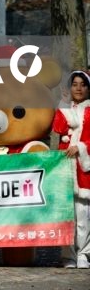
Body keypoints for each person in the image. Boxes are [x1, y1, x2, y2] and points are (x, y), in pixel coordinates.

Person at [52, 70, 90, 269]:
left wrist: (81, 147)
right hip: (66, 168)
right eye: (74, 84)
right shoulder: (64, 108)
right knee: (67, 216)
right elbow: (58, 128)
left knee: (84, 217)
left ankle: (84, 254)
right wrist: (63, 103)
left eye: (82, 84)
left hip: (84, 169)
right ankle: (68, 256)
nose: (78, 88)